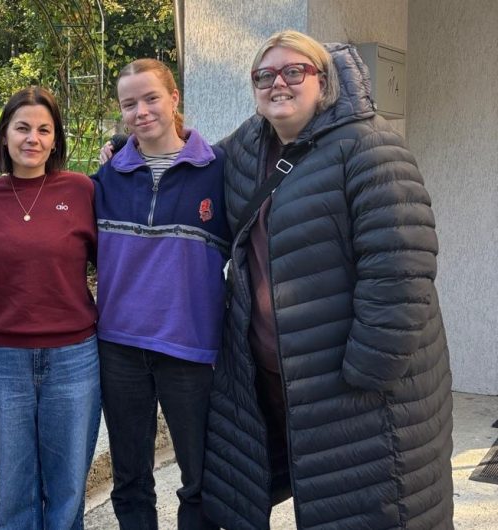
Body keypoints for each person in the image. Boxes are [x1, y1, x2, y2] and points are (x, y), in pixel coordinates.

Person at [202, 30, 454, 529]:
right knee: (319, 501)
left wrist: (367, 373)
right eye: (264, 75)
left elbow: (402, 267)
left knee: (375, 508)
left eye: (294, 71)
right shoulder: (249, 146)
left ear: (325, 80)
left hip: (354, 386)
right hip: (280, 382)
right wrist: (136, 151)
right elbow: (192, 164)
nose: (279, 83)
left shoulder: (370, 147)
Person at [92, 58, 229, 529]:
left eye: (151, 98)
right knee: (130, 476)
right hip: (119, 346)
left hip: (190, 347)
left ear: (174, 99)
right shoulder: (105, 179)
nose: (141, 111)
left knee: (201, 475)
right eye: (129, 104)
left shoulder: (219, 171)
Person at [0, 86, 100, 530]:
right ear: (4, 135)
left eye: (44, 130)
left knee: (67, 487)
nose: (33, 138)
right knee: (15, 487)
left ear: (56, 138)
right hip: (2, 359)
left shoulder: (82, 189)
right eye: (22, 127)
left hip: (74, 357)